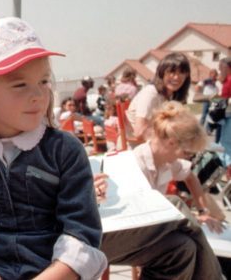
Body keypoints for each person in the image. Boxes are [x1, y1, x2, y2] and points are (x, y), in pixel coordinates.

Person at [0, 17, 107, 280]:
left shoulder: (66, 152)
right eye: (20, 84)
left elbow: (81, 234)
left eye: (43, 82)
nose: (38, 95)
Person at [94, 173, 224, 280]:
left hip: (89, 220)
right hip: (79, 232)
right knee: (174, 206)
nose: (187, 156)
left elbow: (190, 175)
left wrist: (84, 190)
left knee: (181, 247)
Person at [133, 101, 223, 231]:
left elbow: (191, 178)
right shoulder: (138, 165)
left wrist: (203, 211)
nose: (186, 158)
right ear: (171, 143)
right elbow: (143, 216)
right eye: (186, 153)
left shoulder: (166, 161)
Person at [126, 52, 191, 144]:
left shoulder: (171, 96)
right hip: (139, 149)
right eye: (172, 72)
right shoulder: (150, 93)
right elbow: (139, 131)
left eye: (181, 72)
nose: (176, 77)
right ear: (161, 73)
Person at [218, 57, 231, 180]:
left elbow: (224, 99)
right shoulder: (227, 80)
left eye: (221, 67)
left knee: (226, 145)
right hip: (227, 115)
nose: (219, 70)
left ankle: (228, 173)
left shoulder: (229, 81)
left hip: (228, 116)